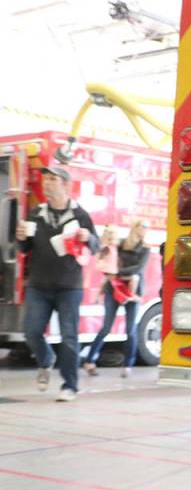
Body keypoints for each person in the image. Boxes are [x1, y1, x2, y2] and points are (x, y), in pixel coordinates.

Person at [16, 165, 99, 402]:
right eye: (45, 179)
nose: (47, 183)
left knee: (69, 336)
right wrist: (21, 239)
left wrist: (88, 237)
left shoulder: (80, 215)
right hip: (39, 285)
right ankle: (46, 360)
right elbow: (25, 249)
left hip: (69, 287)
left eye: (53, 179)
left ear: (65, 185)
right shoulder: (35, 214)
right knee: (31, 332)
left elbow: (95, 247)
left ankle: (69, 386)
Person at [84, 221, 150, 378]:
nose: (145, 230)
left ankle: (128, 365)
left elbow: (139, 269)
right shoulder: (120, 244)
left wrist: (117, 272)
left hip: (132, 292)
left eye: (146, 228)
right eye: (143, 227)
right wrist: (111, 272)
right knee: (106, 327)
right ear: (135, 228)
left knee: (130, 330)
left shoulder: (146, 248)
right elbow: (107, 259)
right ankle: (89, 361)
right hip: (113, 288)